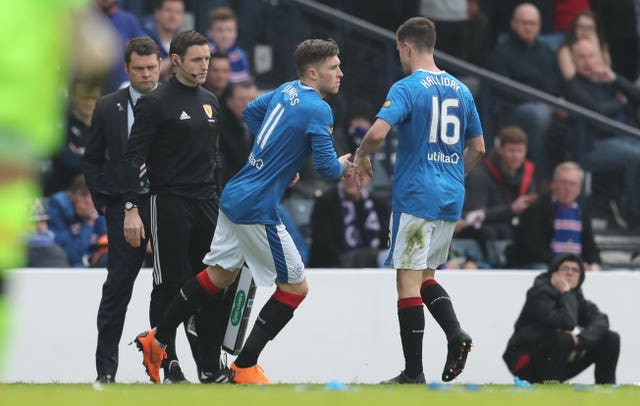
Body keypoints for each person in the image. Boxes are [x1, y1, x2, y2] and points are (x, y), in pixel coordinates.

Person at [132, 38, 355, 384]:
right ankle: (244, 365)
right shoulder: (319, 108)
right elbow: (327, 169)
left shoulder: (285, 90)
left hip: (234, 195)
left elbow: (251, 112)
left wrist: (277, 153)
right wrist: (346, 165)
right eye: (333, 67)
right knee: (295, 288)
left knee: (220, 275)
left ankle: (157, 336)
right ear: (313, 73)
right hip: (256, 207)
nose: (341, 72)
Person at [353, 17, 486, 384]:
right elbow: (478, 147)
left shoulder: (408, 87)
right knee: (427, 275)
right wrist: (454, 175)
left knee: (407, 283)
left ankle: (413, 373)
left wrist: (362, 156)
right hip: (449, 197)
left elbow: (378, 131)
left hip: (416, 196)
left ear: (407, 47)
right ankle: (455, 333)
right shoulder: (462, 90)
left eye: (399, 51)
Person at [121, 30, 229, 384]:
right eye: (197, 59)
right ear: (177, 61)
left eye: (208, 58)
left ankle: (210, 368)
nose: (205, 65)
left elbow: (214, 157)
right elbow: (132, 157)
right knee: (168, 285)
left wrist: (222, 200)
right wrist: (131, 207)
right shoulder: (155, 102)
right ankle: (168, 365)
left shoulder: (211, 99)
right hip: (167, 201)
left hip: (206, 202)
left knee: (211, 286)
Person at [83, 36, 161, 384]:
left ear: (161, 65)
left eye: (152, 67)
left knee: (173, 285)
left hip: (165, 203)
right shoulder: (107, 106)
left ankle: (170, 365)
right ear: (127, 69)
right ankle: (106, 371)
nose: (146, 74)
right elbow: (93, 158)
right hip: (122, 205)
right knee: (117, 288)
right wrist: (106, 204)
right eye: (140, 68)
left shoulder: (173, 102)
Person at [503, 253, 619, 384]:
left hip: (555, 362)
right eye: (565, 268)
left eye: (575, 270)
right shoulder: (539, 293)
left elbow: (601, 320)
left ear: (580, 277)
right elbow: (567, 322)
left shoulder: (575, 297)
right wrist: (566, 292)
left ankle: (606, 388)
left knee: (610, 338)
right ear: (554, 273)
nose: (570, 273)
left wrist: (581, 340)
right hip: (525, 361)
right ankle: (551, 388)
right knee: (563, 338)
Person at [564, 39, 640, 228]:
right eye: (581, 57)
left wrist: (615, 79)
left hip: (627, 139)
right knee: (636, 156)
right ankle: (635, 215)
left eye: (591, 56)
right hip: (595, 146)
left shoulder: (608, 83)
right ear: (573, 60)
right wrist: (621, 102)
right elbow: (596, 111)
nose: (587, 61)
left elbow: (636, 96)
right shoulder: (573, 85)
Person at [486, 2, 563, 182]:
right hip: (513, 111)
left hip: (548, 107)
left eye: (533, 23)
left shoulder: (546, 53)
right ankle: (538, 176)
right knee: (538, 114)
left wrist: (556, 102)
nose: (529, 27)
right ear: (513, 24)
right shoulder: (501, 53)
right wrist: (541, 101)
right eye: (524, 23)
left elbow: (557, 84)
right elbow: (502, 90)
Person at [457, 126, 536, 262]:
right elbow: (475, 215)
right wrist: (511, 210)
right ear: (500, 149)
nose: (516, 156)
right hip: (481, 232)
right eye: (511, 150)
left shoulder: (527, 174)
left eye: (520, 151)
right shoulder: (480, 173)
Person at [506, 162, 601, 270]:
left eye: (572, 184)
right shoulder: (537, 208)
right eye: (563, 182)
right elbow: (533, 251)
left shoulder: (581, 212)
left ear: (579, 189)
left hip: (573, 267)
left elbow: (590, 247)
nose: (567, 188)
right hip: (541, 265)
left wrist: (595, 263)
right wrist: (564, 264)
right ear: (553, 184)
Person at [309, 172, 390, 268]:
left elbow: (386, 240)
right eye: (347, 175)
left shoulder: (378, 203)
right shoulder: (325, 202)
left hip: (373, 265)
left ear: (368, 178)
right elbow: (322, 245)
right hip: (334, 266)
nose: (352, 179)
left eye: (358, 175)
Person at [44, 80, 101, 196]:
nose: (89, 103)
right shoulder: (60, 125)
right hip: (63, 194)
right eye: (84, 98)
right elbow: (66, 159)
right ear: (73, 97)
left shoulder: (106, 126)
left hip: (97, 197)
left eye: (93, 98)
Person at [47, 174, 107, 268]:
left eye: (92, 195)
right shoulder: (58, 212)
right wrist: (88, 222)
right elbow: (73, 256)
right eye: (83, 195)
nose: (88, 201)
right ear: (71, 195)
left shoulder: (101, 211)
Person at [94, 0, 146, 92]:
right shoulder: (84, 21)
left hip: (121, 88)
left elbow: (143, 53)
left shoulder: (129, 21)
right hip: (91, 87)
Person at [218, 80, 258, 185]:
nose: (247, 104)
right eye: (242, 99)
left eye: (252, 99)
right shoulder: (219, 129)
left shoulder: (264, 126)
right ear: (229, 102)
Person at [557, 10, 611, 80]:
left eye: (589, 28)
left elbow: (606, 79)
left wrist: (596, 47)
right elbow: (571, 81)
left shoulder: (603, 48)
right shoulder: (565, 50)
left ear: (596, 31)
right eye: (581, 27)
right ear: (574, 29)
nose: (584, 32)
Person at [143, 0, 185, 81]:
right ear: (157, 13)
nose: (173, 16)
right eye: (168, 10)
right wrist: (174, 59)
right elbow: (147, 73)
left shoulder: (185, 40)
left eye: (178, 12)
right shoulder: (144, 38)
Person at [206, 7, 250, 83]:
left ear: (236, 32)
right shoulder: (203, 53)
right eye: (220, 30)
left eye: (229, 30)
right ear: (209, 32)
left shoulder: (242, 55)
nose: (225, 36)